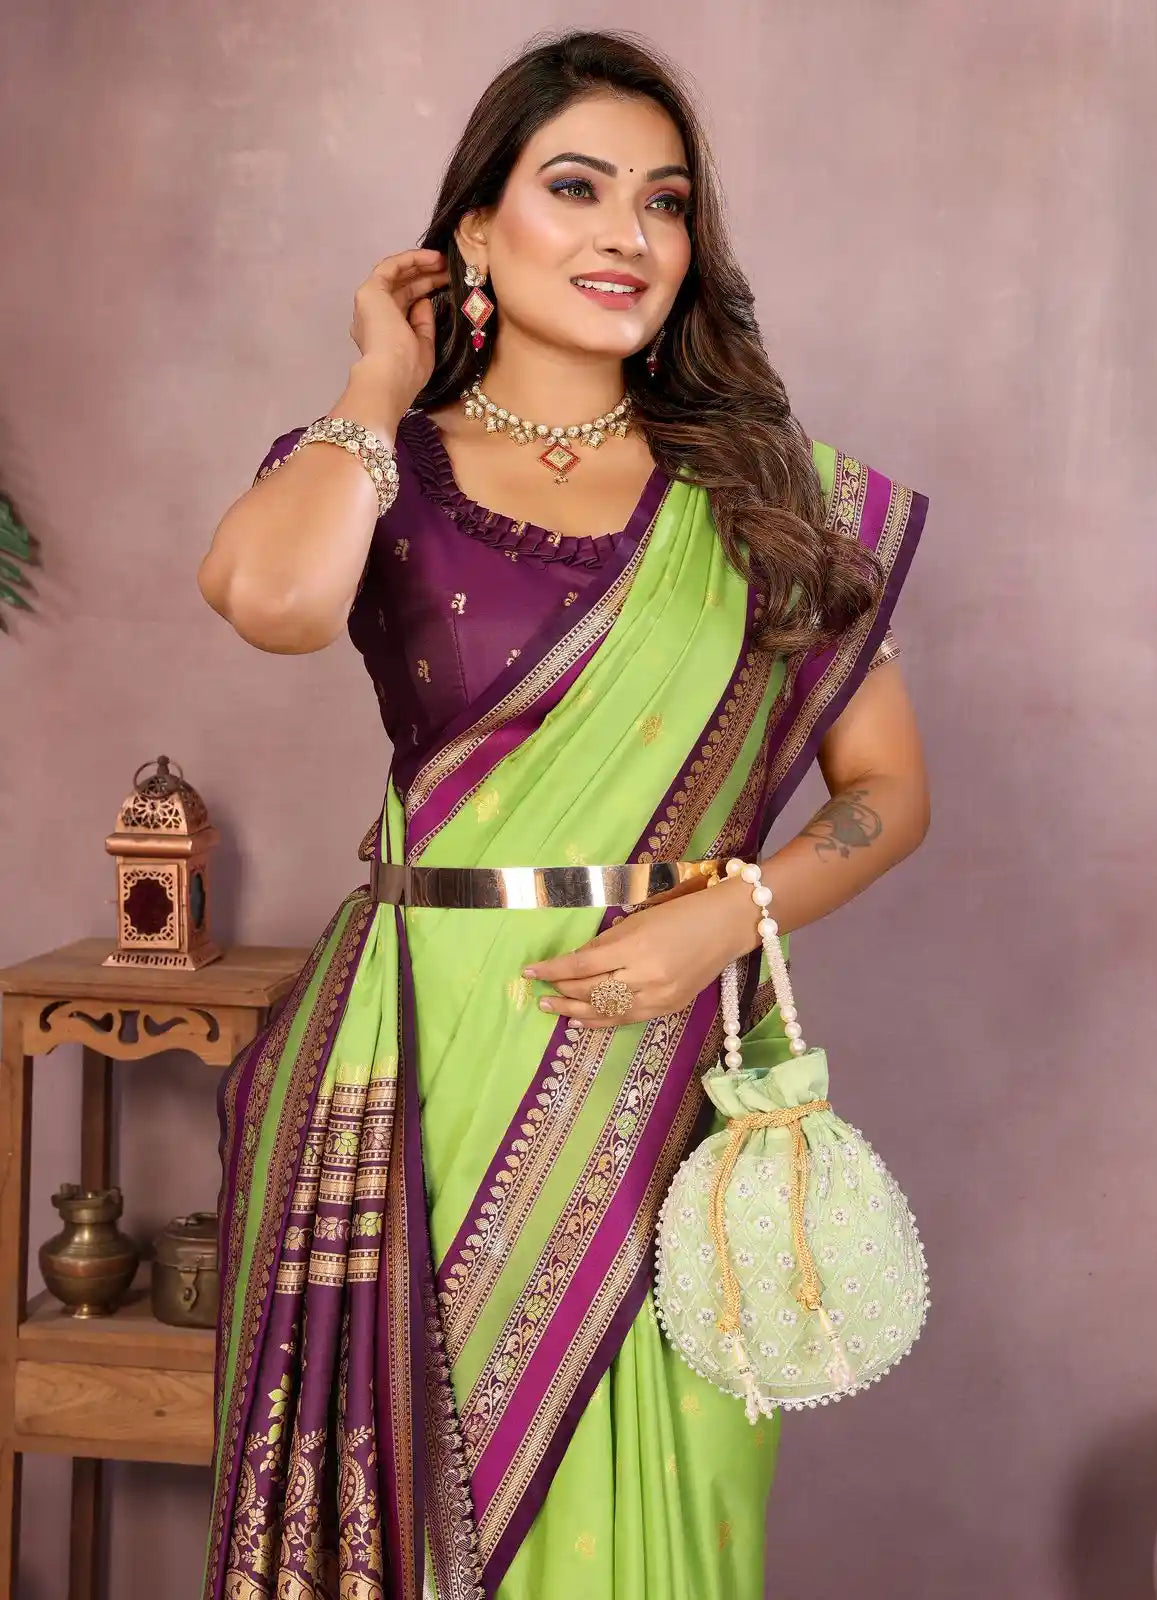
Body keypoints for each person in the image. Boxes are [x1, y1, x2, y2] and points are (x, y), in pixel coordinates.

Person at [196, 28, 930, 1600]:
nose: (627, 235)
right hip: (416, 1056)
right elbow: (271, 602)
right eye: (578, 188)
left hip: (665, 1074)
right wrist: (376, 381)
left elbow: (889, 793)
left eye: (663, 202)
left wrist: (727, 919)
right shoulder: (378, 466)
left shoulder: (770, 493)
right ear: (476, 229)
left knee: (662, 1508)